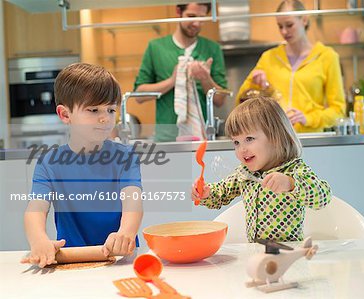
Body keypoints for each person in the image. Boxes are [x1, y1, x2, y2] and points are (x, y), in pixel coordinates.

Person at [22, 63, 143, 268]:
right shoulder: (49, 163)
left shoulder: (126, 156)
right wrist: (39, 240)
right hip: (70, 260)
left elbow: (133, 203)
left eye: (111, 109)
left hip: (120, 258)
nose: (105, 118)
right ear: (65, 114)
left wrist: (126, 233)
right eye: (93, 109)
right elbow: (36, 209)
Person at [192, 96, 332, 242]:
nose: (242, 149)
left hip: (289, 253)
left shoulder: (293, 169)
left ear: (275, 137)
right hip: (255, 252)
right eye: (236, 142)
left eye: (249, 139)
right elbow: (221, 194)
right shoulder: (244, 174)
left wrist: (291, 184)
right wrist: (205, 194)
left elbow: (323, 197)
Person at [236, 0, 346, 133]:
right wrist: (255, 85)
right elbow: (240, 102)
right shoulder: (268, 57)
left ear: (304, 20)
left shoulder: (327, 56)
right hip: (276, 139)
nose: (284, 31)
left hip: (311, 139)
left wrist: (308, 118)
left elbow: (338, 111)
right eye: (280, 26)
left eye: (289, 25)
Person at [134, 3, 228, 142]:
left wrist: (205, 79)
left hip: (202, 136)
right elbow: (139, 95)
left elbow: (220, 100)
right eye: (191, 16)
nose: (196, 23)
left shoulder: (212, 49)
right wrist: (173, 80)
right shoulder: (156, 48)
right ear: (178, 11)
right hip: (166, 137)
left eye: (202, 18)